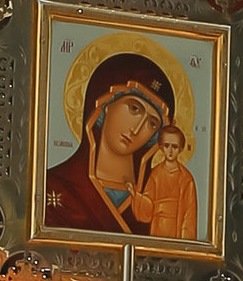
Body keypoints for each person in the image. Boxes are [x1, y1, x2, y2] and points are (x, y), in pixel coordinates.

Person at [41, 51, 201, 240]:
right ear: (106, 105)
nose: (137, 129)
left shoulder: (164, 191)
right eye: (134, 108)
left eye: (152, 123)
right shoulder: (52, 187)